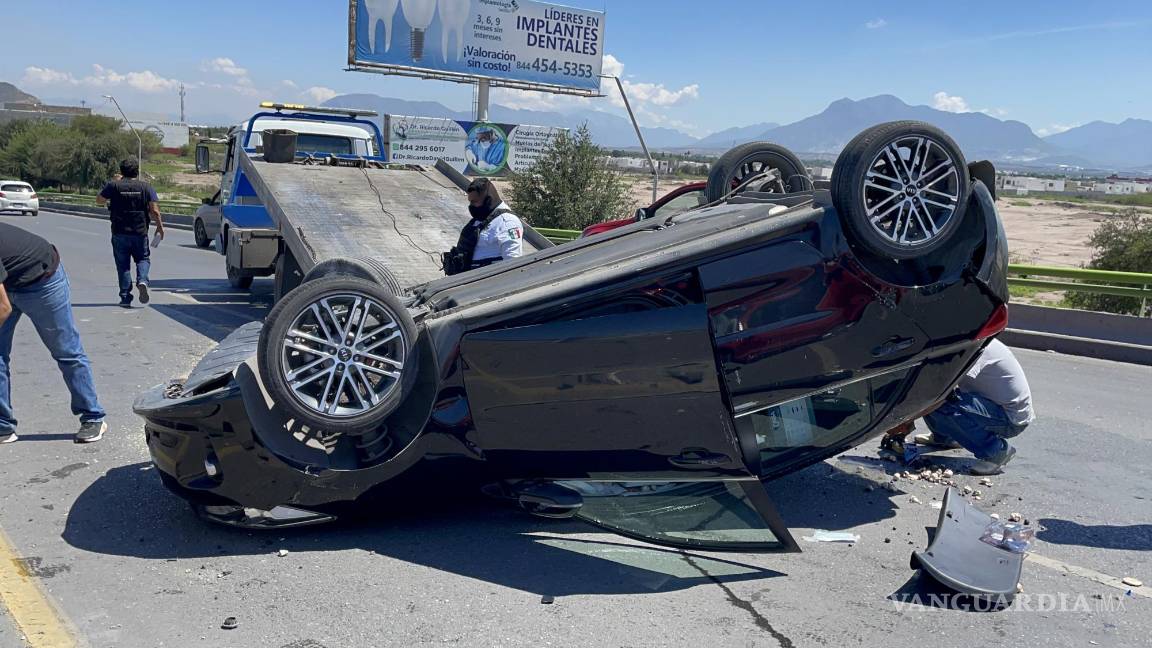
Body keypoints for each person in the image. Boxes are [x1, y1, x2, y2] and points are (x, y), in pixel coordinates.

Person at [0, 223, 108, 444]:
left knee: (66, 351)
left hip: (42, 282)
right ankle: (3, 427)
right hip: (7, 283)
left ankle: (93, 416)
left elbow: (3, 308)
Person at [879, 339, 1034, 476]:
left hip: (1009, 420)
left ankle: (996, 451)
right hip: (995, 408)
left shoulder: (976, 346)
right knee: (932, 390)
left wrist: (905, 421)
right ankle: (944, 438)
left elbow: (940, 396)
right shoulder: (965, 339)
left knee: (942, 402)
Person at [96, 159, 164, 307]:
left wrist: (113, 182)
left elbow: (99, 200)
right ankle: (143, 280)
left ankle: (126, 297)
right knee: (143, 259)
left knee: (123, 265)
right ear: (137, 171)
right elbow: (155, 210)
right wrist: (160, 227)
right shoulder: (146, 187)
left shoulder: (114, 186)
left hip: (119, 232)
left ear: (121, 172)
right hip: (140, 232)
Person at [442, 178, 524, 276]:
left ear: (488, 200)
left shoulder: (507, 222)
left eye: (474, 201)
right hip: (466, 281)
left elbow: (513, 262)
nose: (471, 206)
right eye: (470, 202)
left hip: (488, 284)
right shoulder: (479, 219)